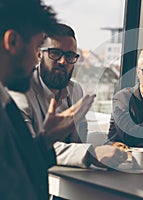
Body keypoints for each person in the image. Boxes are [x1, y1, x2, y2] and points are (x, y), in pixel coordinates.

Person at [0, 1, 95, 199]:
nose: (36, 60)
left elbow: (20, 170)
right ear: (13, 42)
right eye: (37, 47)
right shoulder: (14, 100)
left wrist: (45, 140)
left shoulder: (5, 100)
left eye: (69, 56)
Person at [9, 23, 127, 169]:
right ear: (39, 54)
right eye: (55, 53)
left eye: (70, 56)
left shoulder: (75, 89)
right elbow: (30, 148)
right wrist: (91, 153)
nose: (63, 62)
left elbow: (79, 139)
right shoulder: (21, 92)